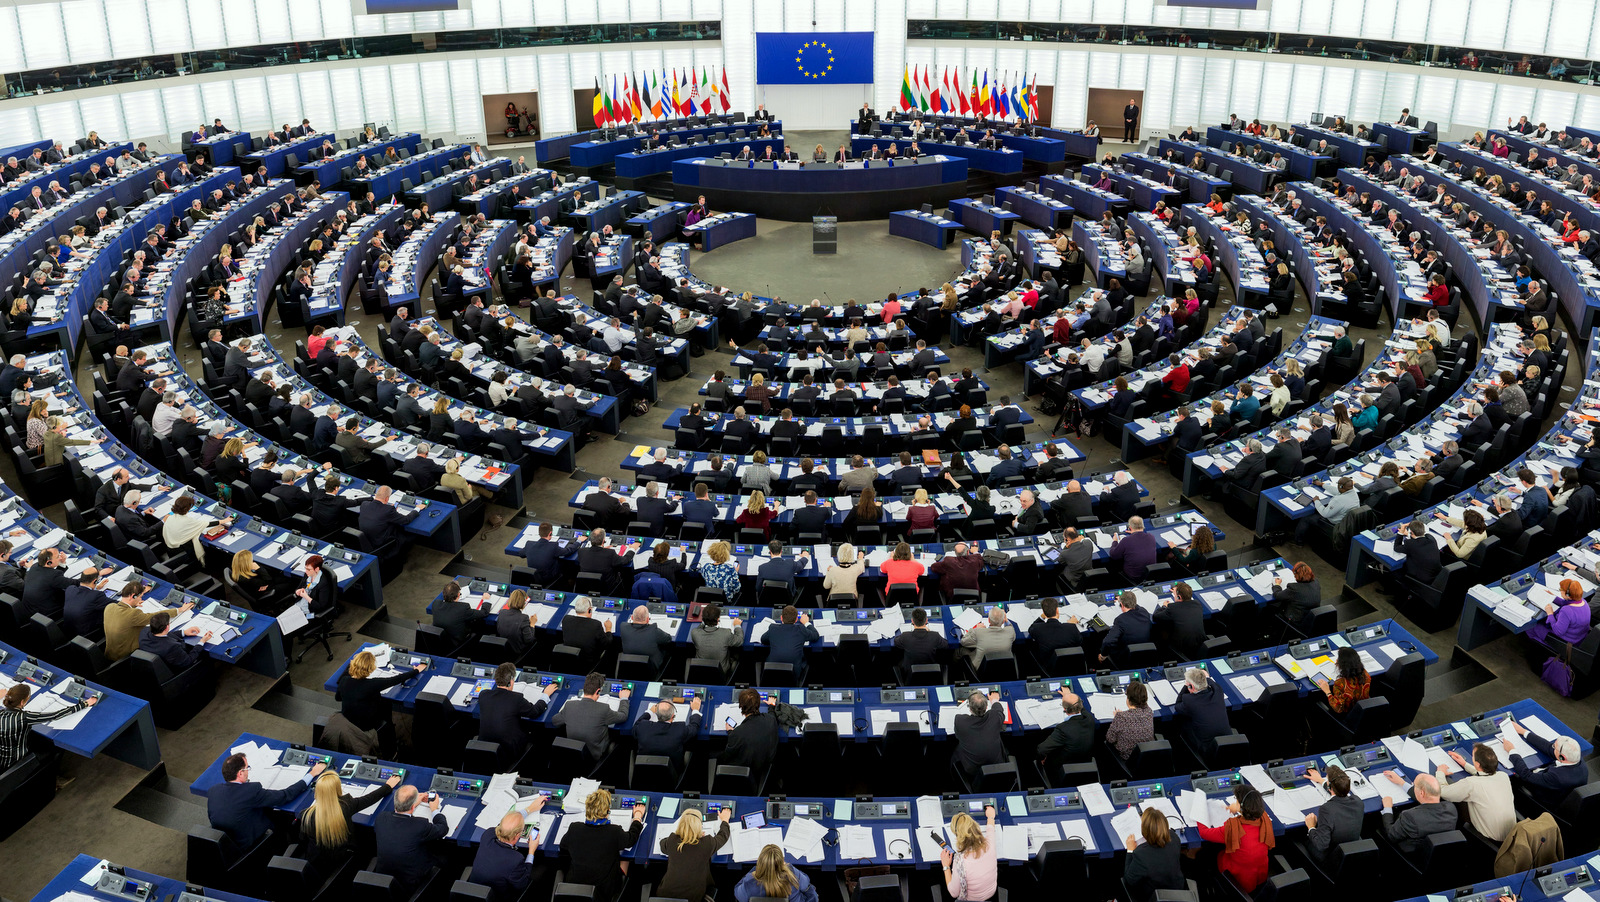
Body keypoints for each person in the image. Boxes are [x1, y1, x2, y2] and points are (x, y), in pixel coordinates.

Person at [208, 752, 326, 853]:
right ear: (240, 773)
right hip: (252, 846)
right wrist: (312, 774)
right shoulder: (251, 791)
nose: (248, 771)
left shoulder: (213, 791)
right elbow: (285, 795)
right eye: (247, 768)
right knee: (285, 818)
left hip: (228, 845)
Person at [300, 770, 400, 876]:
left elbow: (303, 841)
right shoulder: (347, 805)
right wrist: (388, 786)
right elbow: (369, 798)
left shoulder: (306, 815)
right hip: (342, 861)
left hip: (315, 866)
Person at [1196, 786, 1275, 892]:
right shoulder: (1264, 817)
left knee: (1206, 853)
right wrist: (1238, 808)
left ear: (1242, 806)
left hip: (1237, 880)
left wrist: (1199, 814)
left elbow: (1203, 833)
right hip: (1260, 877)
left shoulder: (1232, 828)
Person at [373, 785, 449, 895]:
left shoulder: (381, 818)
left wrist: (411, 804)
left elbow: (395, 816)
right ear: (413, 807)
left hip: (383, 878)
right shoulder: (420, 825)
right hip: (410, 883)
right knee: (444, 857)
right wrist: (434, 809)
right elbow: (443, 829)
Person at [470, 798, 550, 901]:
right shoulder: (515, 859)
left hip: (474, 894)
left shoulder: (487, 835)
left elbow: (504, 826)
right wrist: (531, 851)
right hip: (499, 898)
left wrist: (530, 809)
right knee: (543, 869)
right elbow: (522, 884)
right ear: (517, 836)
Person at [0, 683, 96, 770]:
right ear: (22, 702)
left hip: (3, 759)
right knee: (55, 748)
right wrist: (85, 703)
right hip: (17, 762)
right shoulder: (24, 717)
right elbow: (55, 715)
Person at [337, 649, 426, 740]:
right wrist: (416, 671)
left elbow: (338, 698)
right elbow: (396, 679)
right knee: (385, 703)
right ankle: (389, 734)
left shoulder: (344, 680)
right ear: (371, 668)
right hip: (366, 724)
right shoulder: (373, 684)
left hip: (347, 720)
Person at [1433, 743, 1515, 842]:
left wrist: (1440, 773)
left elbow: (1444, 793)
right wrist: (1465, 764)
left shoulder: (1471, 783)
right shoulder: (1503, 776)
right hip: (1512, 835)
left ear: (1477, 764)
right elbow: (1486, 775)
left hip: (1490, 839)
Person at [1503, 720, 1585, 809]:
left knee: (1511, 777)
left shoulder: (1557, 777)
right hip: (1559, 790)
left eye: (1555, 747)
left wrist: (1512, 751)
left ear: (1562, 757)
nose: (1552, 747)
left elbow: (1526, 775)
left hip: (1543, 799)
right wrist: (1523, 731)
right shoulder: (1576, 758)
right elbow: (1548, 747)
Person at [658, 806, 732, 902]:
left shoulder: (672, 841)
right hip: (694, 898)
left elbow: (662, 844)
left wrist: (682, 835)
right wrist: (725, 820)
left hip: (665, 895)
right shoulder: (707, 843)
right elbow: (723, 836)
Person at [552, 671, 631, 760]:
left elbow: (555, 721)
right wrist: (624, 698)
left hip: (574, 753)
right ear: (598, 691)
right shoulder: (603, 709)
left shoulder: (569, 705)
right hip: (594, 756)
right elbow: (623, 716)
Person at [1378, 772, 1457, 856]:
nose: (1413, 786)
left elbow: (1391, 835)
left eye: (1414, 785)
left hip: (1412, 856)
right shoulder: (1451, 808)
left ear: (1422, 793)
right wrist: (1401, 782)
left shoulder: (1410, 817)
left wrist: (1387, 808)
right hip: (1438, 853)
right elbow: (1427, 798)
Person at [1302, 766, 1364, 868]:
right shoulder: (1357, 801)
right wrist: (1321, 781)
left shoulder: (1327, 810)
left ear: (1330, 786)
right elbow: (1339, 794)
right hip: (1351, 851)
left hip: (1331, 858)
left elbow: (1321, 845)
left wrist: (1311, 827)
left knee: (1300, 836)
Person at [1123, 807, 1185, 902]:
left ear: (1144, 831)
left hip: (1154, 896)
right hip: (1178, 892)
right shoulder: (1175, 838)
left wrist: (1130, 850)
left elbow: (1130, 880)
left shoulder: (1141, 854)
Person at [940, 807, 998, 901]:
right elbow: (990, 829)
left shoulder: (960, 862)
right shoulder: (989, 845)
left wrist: (946, 866)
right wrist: (991, 817)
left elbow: (953, 893)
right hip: (991, 894)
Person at [633, 698, 702, 775]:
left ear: (656, 713)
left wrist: (649, 712)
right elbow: (694, 728)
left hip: (643, 774)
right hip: (672, 776)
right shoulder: (679, 729)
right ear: (673, 716)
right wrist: (695, 710)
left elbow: (636, 725)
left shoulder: (643, 727)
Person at [722, 688, 781, 774]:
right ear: (758, 704)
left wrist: (731, 732)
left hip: (744, 773)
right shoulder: (771, 720)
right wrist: (771, 706)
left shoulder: (737, 733)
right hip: (765, 768)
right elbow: (772, 717)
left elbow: (727, 757)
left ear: (741, 707)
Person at [952, 689, 1006, 781]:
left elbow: (957, 736)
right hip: (996, 768)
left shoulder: (960, 721)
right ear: (986, 707)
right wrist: (994, 700)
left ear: (970, 708)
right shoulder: (994, 717)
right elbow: (999, 710)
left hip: (972, 770)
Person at [735, 844, 819, 902]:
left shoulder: (749, 882)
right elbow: (806, 884)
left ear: (760, 862)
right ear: (782, 863)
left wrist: (756, 869)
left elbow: (738, 894)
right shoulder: (792, 873)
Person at [1035, 688, 1093, 768]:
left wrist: (1042, 758)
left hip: (1064, 768)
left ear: (1065, 709)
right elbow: (1082, 709)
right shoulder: (1089, 718)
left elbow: (1041, 749)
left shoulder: (1063, 728)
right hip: (1086, 763)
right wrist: (1068, 695)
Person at [763, 604, 821, 678]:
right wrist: (806, 622)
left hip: (771, 672)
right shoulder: (801, 629)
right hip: (793, 674)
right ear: (796, 619)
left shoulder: (773, 628)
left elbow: (763, 640)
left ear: (781, 618)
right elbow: (815, 636)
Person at [1312, 646, 1370, 716]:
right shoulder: (1365, 674)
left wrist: (1327, 692)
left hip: (1346, 716)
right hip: (1362, 712)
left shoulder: (1341, 683)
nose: (1336, 660)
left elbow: (1337, 708)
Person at [1099, 591, 1152, 666]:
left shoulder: (1120, 620)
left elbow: (1107, 642)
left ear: (1122, 605)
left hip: (1126, 658)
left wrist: (1102, 655)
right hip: (1146, 655)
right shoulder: (1144, 612)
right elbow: (1137, 606)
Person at [1105, 680, 1155, 759]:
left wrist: (1116, 718)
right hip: (1146, 757)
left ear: (1129, 699)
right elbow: (1144, 705)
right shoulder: (1149, 711)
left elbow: (1110, 739)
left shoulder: (1121, 717)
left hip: (1128, 759)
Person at [1271, 561, 1322, 635]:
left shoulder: (1294, 588)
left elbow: (1277, 595)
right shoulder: (1316, 583)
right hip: (1310, 621)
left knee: (1269, 609)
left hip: (1294, 622)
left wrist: (1277, 585)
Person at [618, 604, 673, 672]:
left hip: (629, 668)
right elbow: (668, 639)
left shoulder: (623, 627)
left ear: (632, 617)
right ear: (647, 619)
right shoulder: (654, 631)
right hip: (651, 670)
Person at [690, 603, 742, 674]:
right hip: (720, 673)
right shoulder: (726, 633)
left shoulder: (694, 633)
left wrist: (705, 621)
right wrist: (737, 626)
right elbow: (739, 640)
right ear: (718, 620)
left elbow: (699, 628)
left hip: (700, 671)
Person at [1108, 516, 1159, 581]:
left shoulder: (1126, 540)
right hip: (1149, 574)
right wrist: (1134, 533)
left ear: (1130, 528)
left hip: (1133, 576)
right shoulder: (1151, 537)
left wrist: (1115, 541)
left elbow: (1113, 555)